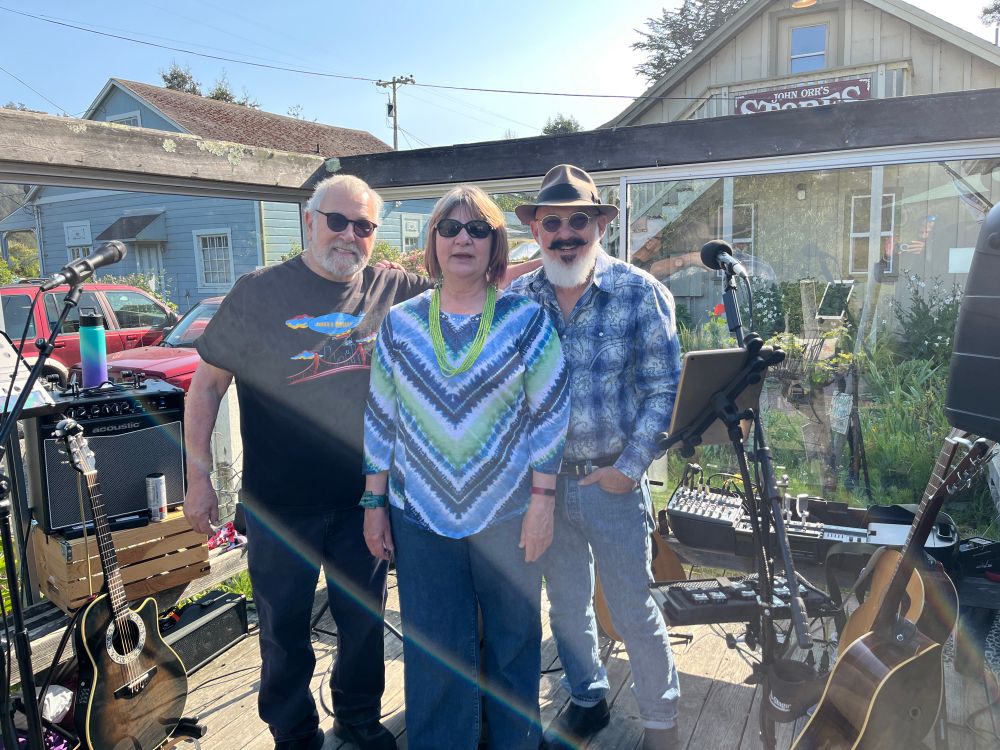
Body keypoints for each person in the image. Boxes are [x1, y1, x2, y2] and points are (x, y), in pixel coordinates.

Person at [184, 175, 539, 750]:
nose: (350, 235)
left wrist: (563, 257)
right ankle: (293, 733)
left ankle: (358, 720)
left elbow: (471, 275)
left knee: (363, 623)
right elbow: (204, 389)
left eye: (364, 226)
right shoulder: (256, 291)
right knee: (283, 630)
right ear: (309, 220)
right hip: (279, 504)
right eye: (338, 221)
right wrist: (198, 479)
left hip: (364, 502)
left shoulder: (393, 289)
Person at [361, 185, 570, 750]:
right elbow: (381, 419)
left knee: (515, 647)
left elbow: (552, 415)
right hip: (420, 518)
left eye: (478, 230)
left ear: (495, 244)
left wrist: (544, 505)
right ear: (432, 242)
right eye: (449, 228)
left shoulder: (525, 321)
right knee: (433, 653)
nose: (462, 239)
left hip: (509, 515)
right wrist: (374, 504)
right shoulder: (400, 326)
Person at [509, 165, 683, 750]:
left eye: (577, 220)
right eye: (551, 221)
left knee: (634, 607)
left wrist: (629, 468)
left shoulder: (641, 292)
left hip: (612, 482)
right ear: (535, 230)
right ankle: (588, 697)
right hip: (544, 490)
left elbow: (665, 389)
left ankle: (662, 720)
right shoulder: (516, 300)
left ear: (599, 226)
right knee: (566, 607)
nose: (565, 233)